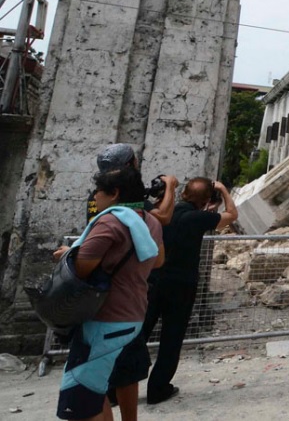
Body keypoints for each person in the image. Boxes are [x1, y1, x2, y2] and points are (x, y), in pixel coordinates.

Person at [54, 167, 164, 421]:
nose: (95, 197)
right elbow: (158, 260)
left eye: (98, 191)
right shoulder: (151, 222)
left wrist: (67, 254)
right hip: (133, 314)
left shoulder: (109, 222)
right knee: (105, 385)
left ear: (114, 193)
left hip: (103, 317)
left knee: (82, 397)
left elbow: (82, 267)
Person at [90, 144, 177, 421]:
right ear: (129, 166)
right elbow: (161, 219)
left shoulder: (98, 198)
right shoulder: (128, 202)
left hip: (100, 293)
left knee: (97, 368)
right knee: (120, 366)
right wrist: (171, 188)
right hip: (126, 298)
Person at [142, 177, 237, 405]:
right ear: (206, 200)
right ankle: (158, 388)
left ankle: (116, 388)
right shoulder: (198, 218)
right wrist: (223, 190)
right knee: (171, 339)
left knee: (139, 333)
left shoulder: (161, 211)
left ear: (184, 193)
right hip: (181, 285)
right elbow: (231, 216)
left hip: (153, 281)